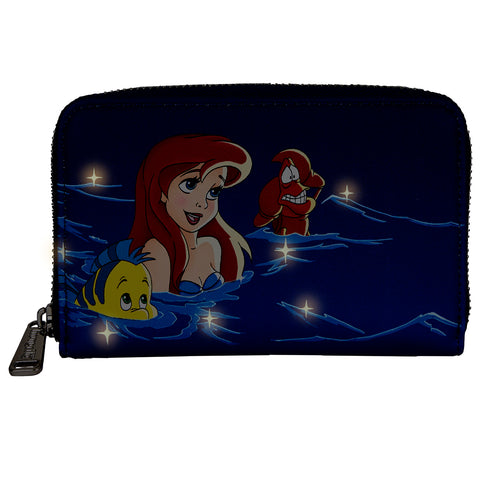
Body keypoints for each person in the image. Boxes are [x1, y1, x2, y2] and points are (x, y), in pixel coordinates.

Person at [129, 134, 252, 294]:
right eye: (190, 185)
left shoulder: (210, 246)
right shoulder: (157, 252)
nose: (202, 203)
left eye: (214, 192)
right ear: (162, 192)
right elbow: (157, 305)